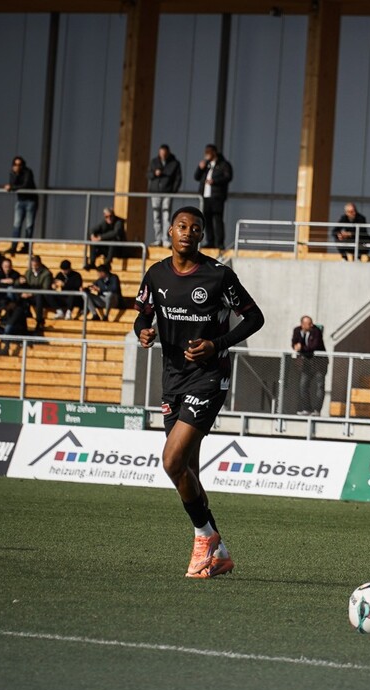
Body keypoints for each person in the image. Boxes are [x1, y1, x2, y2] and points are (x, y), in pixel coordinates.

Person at [132, 205, 265, 579]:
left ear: (201, 235)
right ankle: (218, 552)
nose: (188, 232)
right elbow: (142, 312)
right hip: (172, 380)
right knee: (187, 470)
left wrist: (217, 343)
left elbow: (255, 317)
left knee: (172, 462)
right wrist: (142, 330)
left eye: (195, 228)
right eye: (182, 226)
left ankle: (204, 537)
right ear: (170, 232)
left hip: (209, 378)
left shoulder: (218, 275)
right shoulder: (156, 273)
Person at [193, 144, 233, 250]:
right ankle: (210, 241)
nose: (206, 155)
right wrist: (200, 168)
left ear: (213, 153)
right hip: (205, 196)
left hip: (217, 196)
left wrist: (214, 181)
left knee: (217, 219)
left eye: (208, 153)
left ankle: (219, 243)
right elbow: (196, 177)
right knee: (207, 219)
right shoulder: (206, 165)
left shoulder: (223, 164)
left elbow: (228, 177)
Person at [148, 144, 182, 246]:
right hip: (155, 192)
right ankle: (158, 239)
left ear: (168, 152)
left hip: (167, 193)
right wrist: (154, 173)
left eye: (164, 153)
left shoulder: (174, 163)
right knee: (156, 215)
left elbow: (178, 178)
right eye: (161, 153)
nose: (162, 155)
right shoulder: (154, 162)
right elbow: (148, 174)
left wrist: (173, 191)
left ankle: (166, 238)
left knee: (166, 215)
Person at [291, 315, 326, 415]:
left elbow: (313, 346)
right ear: (303, 324)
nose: (311, 325)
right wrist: (296, 346)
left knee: (320, 385)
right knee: (303, 385)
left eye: (311, 323)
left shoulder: (316, 331)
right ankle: (307, 408)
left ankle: (317, 410)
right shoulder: (297, 330)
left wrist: (301, 348)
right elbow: (294, 343)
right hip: (306, 363)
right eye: (308, 323)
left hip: (319, 363)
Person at [5, 155, 38, 254]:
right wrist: (16, 174)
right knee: (17, 224)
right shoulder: (13, 173)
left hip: (31, 201)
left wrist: (12, 187)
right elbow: (12, 183)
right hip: (20, 201)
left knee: (29, 225)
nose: (17, 166)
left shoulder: (28, 172)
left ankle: (26, 247)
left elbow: (26, 185)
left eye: (19, 165)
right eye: (15, 164)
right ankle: (13, 246)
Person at [24, 254, 53, 333]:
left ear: (39, 264)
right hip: (31, 295)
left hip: (44, 297)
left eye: (36, 265)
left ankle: (39, 320)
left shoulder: (46, 273)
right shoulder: (28, 272)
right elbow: (25, 283)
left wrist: (32, 293)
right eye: (32, 266)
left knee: (39, 297)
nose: (34, 268)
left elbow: (45, 288)